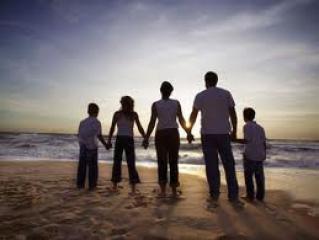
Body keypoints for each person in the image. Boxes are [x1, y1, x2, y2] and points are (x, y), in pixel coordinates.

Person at [188, 71, 241, 205]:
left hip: (207, 135)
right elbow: (233, 114)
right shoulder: (226, 93)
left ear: (205, 81)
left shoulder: (200, 96)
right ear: (216, 81)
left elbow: (193, 115)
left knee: (211, 166)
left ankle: (214, 195)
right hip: (224, 133)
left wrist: (188, 131)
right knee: (229, 165)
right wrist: (234, 131)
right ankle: (233, 196)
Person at [143, 81, 190, 197]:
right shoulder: (176, 103)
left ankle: (163, 190)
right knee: (173, 162)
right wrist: (188, 132)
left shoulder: (155, 104)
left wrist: (146, 138)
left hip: (161, 134)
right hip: (173, 133)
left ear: (161, 91)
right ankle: (174, 191)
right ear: (171, 91)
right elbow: (181, 120)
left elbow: (152, 122)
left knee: (162, 162)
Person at [106, 96, 145, 194]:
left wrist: (145, 137)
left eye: (127, 104)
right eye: (123, 104)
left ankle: (132, 187)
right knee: (117, 162)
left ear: (130, 105)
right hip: (120, 139)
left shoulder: (133, 115)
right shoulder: (117, 114)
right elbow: (112, 128)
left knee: (130, 163)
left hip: (128, 140)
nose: (125, 106)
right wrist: (109, 140)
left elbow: (140, 127)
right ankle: (115, 186)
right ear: (122, 104)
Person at [233, 108, 266, 201]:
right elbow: (264, 143)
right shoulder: (260, 128)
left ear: (244, 116)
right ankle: (260, 196)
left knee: (248, 176)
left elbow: (246, 140)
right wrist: (264, 154)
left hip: (250, 155)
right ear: (253, 116)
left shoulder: (247, 126)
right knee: (259, 177)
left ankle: (250, 195)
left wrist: (234, 140)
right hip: (260, 154)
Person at [77, 103, 108, 190]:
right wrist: (106, 145)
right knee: (93, 167)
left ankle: (80, 185)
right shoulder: (97, 122)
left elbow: (79, 134)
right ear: (97, 112)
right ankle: (92, 185)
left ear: (88, 111)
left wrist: (81, 144)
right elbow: (99, 136)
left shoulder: (82, 122)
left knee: (82, 166)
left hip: (83, 146)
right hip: (92, 147)